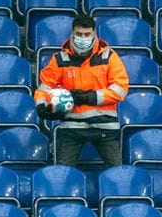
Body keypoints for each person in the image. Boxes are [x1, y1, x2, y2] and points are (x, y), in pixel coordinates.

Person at [34, 14, 129, 167]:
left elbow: (120, 89)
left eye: (87, 34)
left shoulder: (109, 56)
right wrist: (41, 106)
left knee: (116, 172)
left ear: (94, 34)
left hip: (105, 126)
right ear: (72, 33)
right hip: (71, 127)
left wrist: (89, 97)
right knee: (63, 173)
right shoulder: (60, 59)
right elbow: (45, 87)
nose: (82, 38)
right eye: (79, 34)